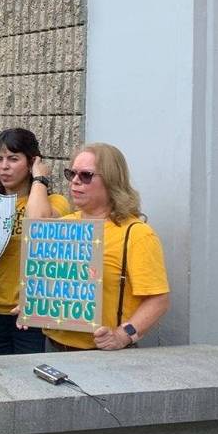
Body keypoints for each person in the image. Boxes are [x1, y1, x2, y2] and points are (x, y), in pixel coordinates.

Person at [38, 143, 170, 351]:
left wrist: (122, 336)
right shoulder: (64, 225)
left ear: (111, 180)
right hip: (52, 346)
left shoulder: (136, 234)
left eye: (86, 175)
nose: (75, 181)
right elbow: (55, 283)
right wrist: (34, 303)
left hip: (104, 355)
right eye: (71, 174)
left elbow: (158, 300)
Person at [0, 128, 69, 356]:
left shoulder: (55, 202)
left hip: (31, 313)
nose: (4, 166)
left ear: (31, 162)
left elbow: (38, 224)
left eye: (13, 159)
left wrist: (40, 179)